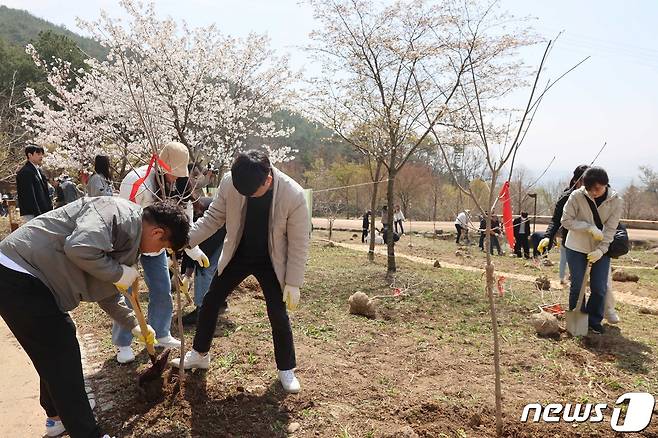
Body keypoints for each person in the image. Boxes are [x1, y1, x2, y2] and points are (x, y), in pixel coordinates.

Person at [0, 196, 190, 438]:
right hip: (19, 272)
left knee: (53, 351)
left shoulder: (129, 237)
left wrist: (134, 325)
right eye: (163, 247)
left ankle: (56, 418)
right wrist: (119, 272)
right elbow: (79, 247)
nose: (158, 252)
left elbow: (107, 291)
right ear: (157, 233)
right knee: (61, 351)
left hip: (27, 278)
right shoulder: (115, 214)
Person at [170, 150, 310, 395]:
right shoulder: (231, 182)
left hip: (271, 259)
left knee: (277, 313)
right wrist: (186, 240)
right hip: (238, 252)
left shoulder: (293, 194)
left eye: (250, 193)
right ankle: (200, 354)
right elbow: (213, 217)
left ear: (267, 180)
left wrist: (293, 282)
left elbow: (299, 243)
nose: (244, 195)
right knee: (211, 301)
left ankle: (286, 369)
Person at [113, 141, 209, 364]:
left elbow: (184, 220)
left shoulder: (182, 186)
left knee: (162, 287)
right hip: (129, 242)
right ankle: (122, 342)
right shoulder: (137, 181)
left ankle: (161, 331)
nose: (174, 178)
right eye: (170, 173)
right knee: (127, 293)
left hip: (157, 244)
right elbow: (124, 215)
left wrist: (191, 248)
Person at [561, 166, 623, 334]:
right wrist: (587, 227)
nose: (593, 193)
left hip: (600, 249)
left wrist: (601, 251)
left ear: (605, 184)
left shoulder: (616, 200)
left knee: (599, 287)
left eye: (597, 189)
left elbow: (611, 230)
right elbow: (566, 221)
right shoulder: (577, 196)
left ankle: (594, 319)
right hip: (576, 246)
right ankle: (577, 317)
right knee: (577, 285)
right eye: (589, 189)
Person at [180, 197, 228, 325]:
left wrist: (188, 273)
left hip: (217, 229)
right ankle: (219, 303)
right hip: (220, 228)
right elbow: (189, 248)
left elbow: (192, 247)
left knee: (204, 269)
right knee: (212, 267)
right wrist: (187, 275)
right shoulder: (187, 213)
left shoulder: (193, 219)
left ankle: (202, 311)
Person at [16, 144, 53, 222]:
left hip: (43, 210)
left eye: (42, 154)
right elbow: (29, 195)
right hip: (33, 213)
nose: (41, 156)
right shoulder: (25, 172)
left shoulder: (39, 170)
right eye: (38, 154)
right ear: (30, 155)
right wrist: (37, 214)